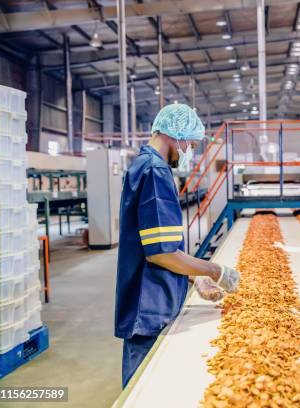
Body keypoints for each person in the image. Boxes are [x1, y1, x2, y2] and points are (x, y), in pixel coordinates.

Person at [114, 104, 240, 388]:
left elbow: (158, 242)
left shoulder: (143, 165)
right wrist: (215, 270)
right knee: (143, 389)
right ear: (177, 135)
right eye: (191, 145)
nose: (189, 152)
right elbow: (161, 253)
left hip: (149, 298)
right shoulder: (156, 172)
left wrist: (194, 276)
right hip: (149, 305)